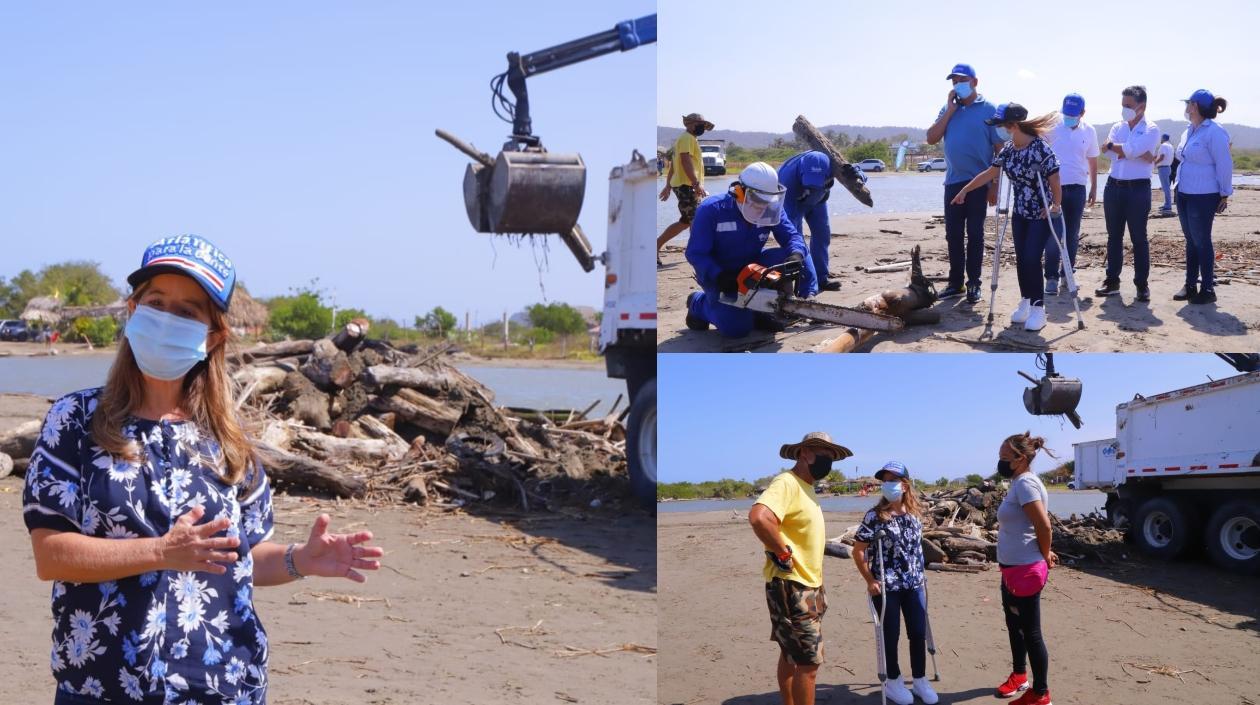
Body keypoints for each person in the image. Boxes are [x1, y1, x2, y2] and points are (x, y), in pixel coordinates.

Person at [22, 236, 385, 705]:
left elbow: (244, 556)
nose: (167, 318)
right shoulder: (75, 420)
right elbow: (51, 555)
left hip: (223, 685)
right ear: (133, 310)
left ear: (213, 335)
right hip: (103, 687)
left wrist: (300, 560)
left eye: (188, 312)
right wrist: (159, 551)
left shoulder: (229, 440)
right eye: (156, 302)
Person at [749, 431, 852, 705]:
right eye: (824, 455)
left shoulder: (808, 488)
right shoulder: (787, 483)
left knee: (790, 654)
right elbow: (760, 517)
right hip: (792, 587)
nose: (828, 462)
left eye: (832, 457)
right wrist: (782, 552)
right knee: (809, 665)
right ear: (805, 453)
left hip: (809, 586)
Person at [950, 104, 1062, 332]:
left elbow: (1055, 179)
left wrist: (1055, 204)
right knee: (1022, 259)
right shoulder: (1009, 150)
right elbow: (989, 174)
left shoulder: (1041, 149)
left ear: (1013, 125)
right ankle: (1026, 301)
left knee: (1031, 258)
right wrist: (965, 190)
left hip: (1040, 215)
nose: (999, 130)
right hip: (1020, 214)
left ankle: (1039, 309)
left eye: (1001, 126)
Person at [683, 162, 816, 338]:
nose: (763, 206)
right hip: (720, 274)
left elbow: (792, 236)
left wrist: (795, 255)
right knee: (736, 329)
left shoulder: (770, 209)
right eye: (759, 201)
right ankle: (698, 303)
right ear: (740, 192)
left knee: (796, 255)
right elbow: (696, 253)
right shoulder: (712, 210)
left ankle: (762, 310)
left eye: (767, 201)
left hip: (752, 266)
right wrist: (718, 275)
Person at [851, 461, 938, 705]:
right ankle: (893, 680)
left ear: (905, 484)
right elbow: (858, 551)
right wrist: (870, 580)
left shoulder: (914, 514)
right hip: (887, 586)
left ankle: (920, 680)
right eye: (885, 480)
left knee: (918, 633)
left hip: (914, 584)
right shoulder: (875, 516)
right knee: (890, 634)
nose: (888, 484)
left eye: (893, 479)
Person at [925, 63, 1005, 304]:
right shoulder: (948, 109)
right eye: (953, 81)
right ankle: (955, 282)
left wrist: (994, 184)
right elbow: (931, 138)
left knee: (976, 234)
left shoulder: (989, 109)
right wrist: (949, 110)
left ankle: (974, 283)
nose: (956, 85)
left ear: (974, 82)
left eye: (961, 80)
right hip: (953, 182)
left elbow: (999, 149)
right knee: (953, 235)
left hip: (979, 182)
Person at [991, 432, 1059, 705]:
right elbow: (1031, 526)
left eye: (1004, 457)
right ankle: (1020, 676)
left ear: (1020, 459)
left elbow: (1044, 525)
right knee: (1014, 625)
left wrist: (1045, 554)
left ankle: (1041, 693)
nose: (1000, 462)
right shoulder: (1019, 482)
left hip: (1025, 569)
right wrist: (1046, 550)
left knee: (1031, 631)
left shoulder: (1026, 484)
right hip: (1011, 568)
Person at [1095, 85, 1161, 301]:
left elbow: (1128, 151)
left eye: (1128, 106)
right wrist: (1127, 150)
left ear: (1142, 106)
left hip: (1138, 190)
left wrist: (1123, 149)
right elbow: (1108, 152)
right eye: (1122, 105)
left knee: (1139, 238)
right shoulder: (1118, 126)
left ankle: (1141, 284)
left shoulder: (1151, 129)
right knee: (1114, 236)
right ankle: (1112, 281)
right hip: (1114, 187)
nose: (1124, 110)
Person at [1173, 89, 1233, 305]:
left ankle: (1207, 288)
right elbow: (1182, 157)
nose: (1186, 107)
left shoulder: (1214, 132)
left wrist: (1225, 193)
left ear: (1195, 106)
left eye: (1188, 103)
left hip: (1204, 194)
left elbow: (1224, 164)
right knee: (1191, 240)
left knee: (1202, 241)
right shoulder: (1189, 130)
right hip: (1184, 192)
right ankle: (1190, 285)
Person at [778, 150, 868, 292]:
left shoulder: (833, 164)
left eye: (815, 182)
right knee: (797, 242)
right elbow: (791, 237)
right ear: (802, 170)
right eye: (809, 182)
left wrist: (858, 176)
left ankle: (821, 278)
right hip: (794, 202)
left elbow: (858, 174)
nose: (811, 186)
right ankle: (805, 284)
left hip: (819, 201)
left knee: (822, 235)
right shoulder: (785, 178)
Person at [1043, 93, 1099, 296]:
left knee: (1072, 234)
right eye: (1066, 112)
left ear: (1082, 113)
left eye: (1073, 114)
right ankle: (1050, 277)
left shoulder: (1089, 131)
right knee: (1053, 233)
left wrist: (1093, 187)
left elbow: (1092, 161)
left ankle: (1067, 273)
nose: (1068, 117)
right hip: (1054, 188)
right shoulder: (1052, 127)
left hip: (1077, 188)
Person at [658, 113, 713, 261]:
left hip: (685, 185)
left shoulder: (687, 139)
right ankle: (697, 253)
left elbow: (674, 166)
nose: (701, 128)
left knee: (685, 221)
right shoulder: (686, 139)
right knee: (696, 219)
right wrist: (695, 183)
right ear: (690, 124)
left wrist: (668, 185)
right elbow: (684, 162)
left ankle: (656, 245)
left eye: (702, 125)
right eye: (699, 124)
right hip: (686, 186)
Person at [1154, 134, 1175, 215]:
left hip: (1163, 168)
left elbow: (1162, 156)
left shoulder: (1163, 145)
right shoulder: (1170, 146)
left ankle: (1168, 206)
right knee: (1166, 187)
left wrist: (1154, 163)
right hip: (1168, 167)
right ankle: (1167, 204)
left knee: (1165, 187)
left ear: (1163, 138)